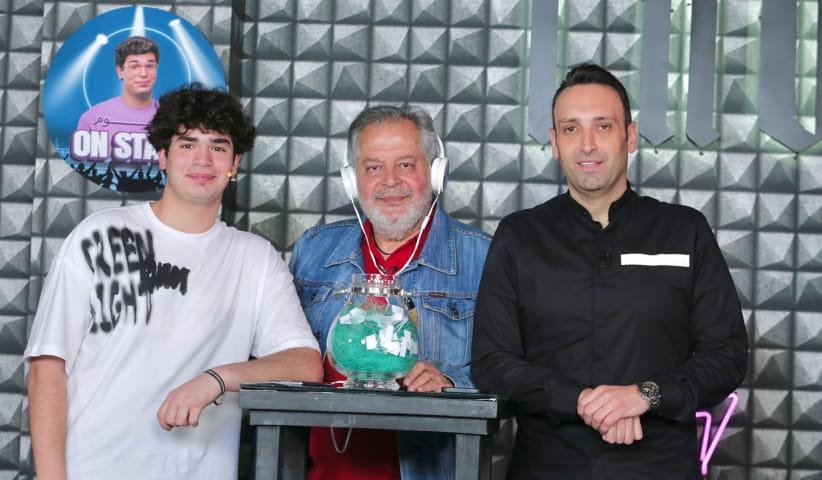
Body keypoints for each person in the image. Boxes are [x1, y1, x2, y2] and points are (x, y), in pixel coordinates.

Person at [25, 84, 323, 479]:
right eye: (187, 144)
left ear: (234, 163)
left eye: (218, 146)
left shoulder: (255, 258)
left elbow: (305, 364)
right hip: (92, 468)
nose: (203, 159)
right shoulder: (100, 235)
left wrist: (217, 379)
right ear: (163, 156)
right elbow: (48, 366)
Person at [471, 64, 748, 479]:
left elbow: (726, 354)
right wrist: (581, 401)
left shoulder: (684, 230)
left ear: (630, 137)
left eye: (603, 126)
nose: (587, 144)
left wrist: (645, 395)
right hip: (548, 467)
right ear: (554, 142)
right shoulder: (519, 236)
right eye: (571, 129)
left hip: (660, 469)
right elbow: (492, 361)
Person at [289, 105, 491, 479]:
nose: (390, 181)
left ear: (436, 172)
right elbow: (277, 359)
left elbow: (513, 369)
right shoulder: (313, 251)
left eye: (406, 165)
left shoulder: (484, 258)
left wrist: (452, 383)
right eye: (373, 168)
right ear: (352, 181)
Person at [72, 35, 160, 164]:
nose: (143, 74)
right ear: (120, 71)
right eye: (134, 66)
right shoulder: (92, 119)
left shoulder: (172, 118)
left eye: (149, 66)